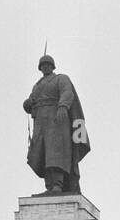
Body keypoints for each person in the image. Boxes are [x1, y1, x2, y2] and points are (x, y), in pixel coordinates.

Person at [23, 54, 90, 194]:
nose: (45, 67)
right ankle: (49, 186)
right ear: (40, 68)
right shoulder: (37, 85)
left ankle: (57, 185)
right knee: (43, 153)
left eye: (48, 64)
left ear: (53, 66)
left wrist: (63, 106)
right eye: (43, 65)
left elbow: (67, 92)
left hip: (57, 121)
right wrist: (27, 104)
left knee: (55, 153)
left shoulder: (61, 78)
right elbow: (31, 102)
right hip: (40, 122)